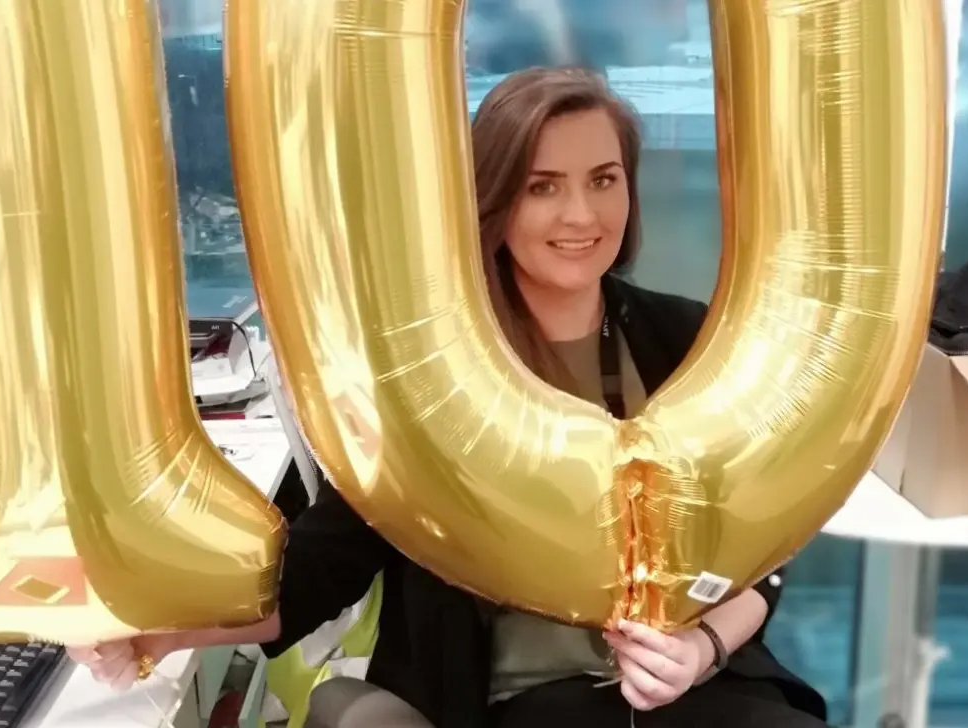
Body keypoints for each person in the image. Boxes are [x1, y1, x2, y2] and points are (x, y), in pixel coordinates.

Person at [68, 67, 830, 728]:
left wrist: (703, 648)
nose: (582, 215)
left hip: (694, 694)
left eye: (604, 178)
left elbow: (763, 549)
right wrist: (159, 631)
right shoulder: (436, 380)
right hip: (512, 706)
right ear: (494, 204)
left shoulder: (687, 339)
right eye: (543, 187)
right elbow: (321, 566)